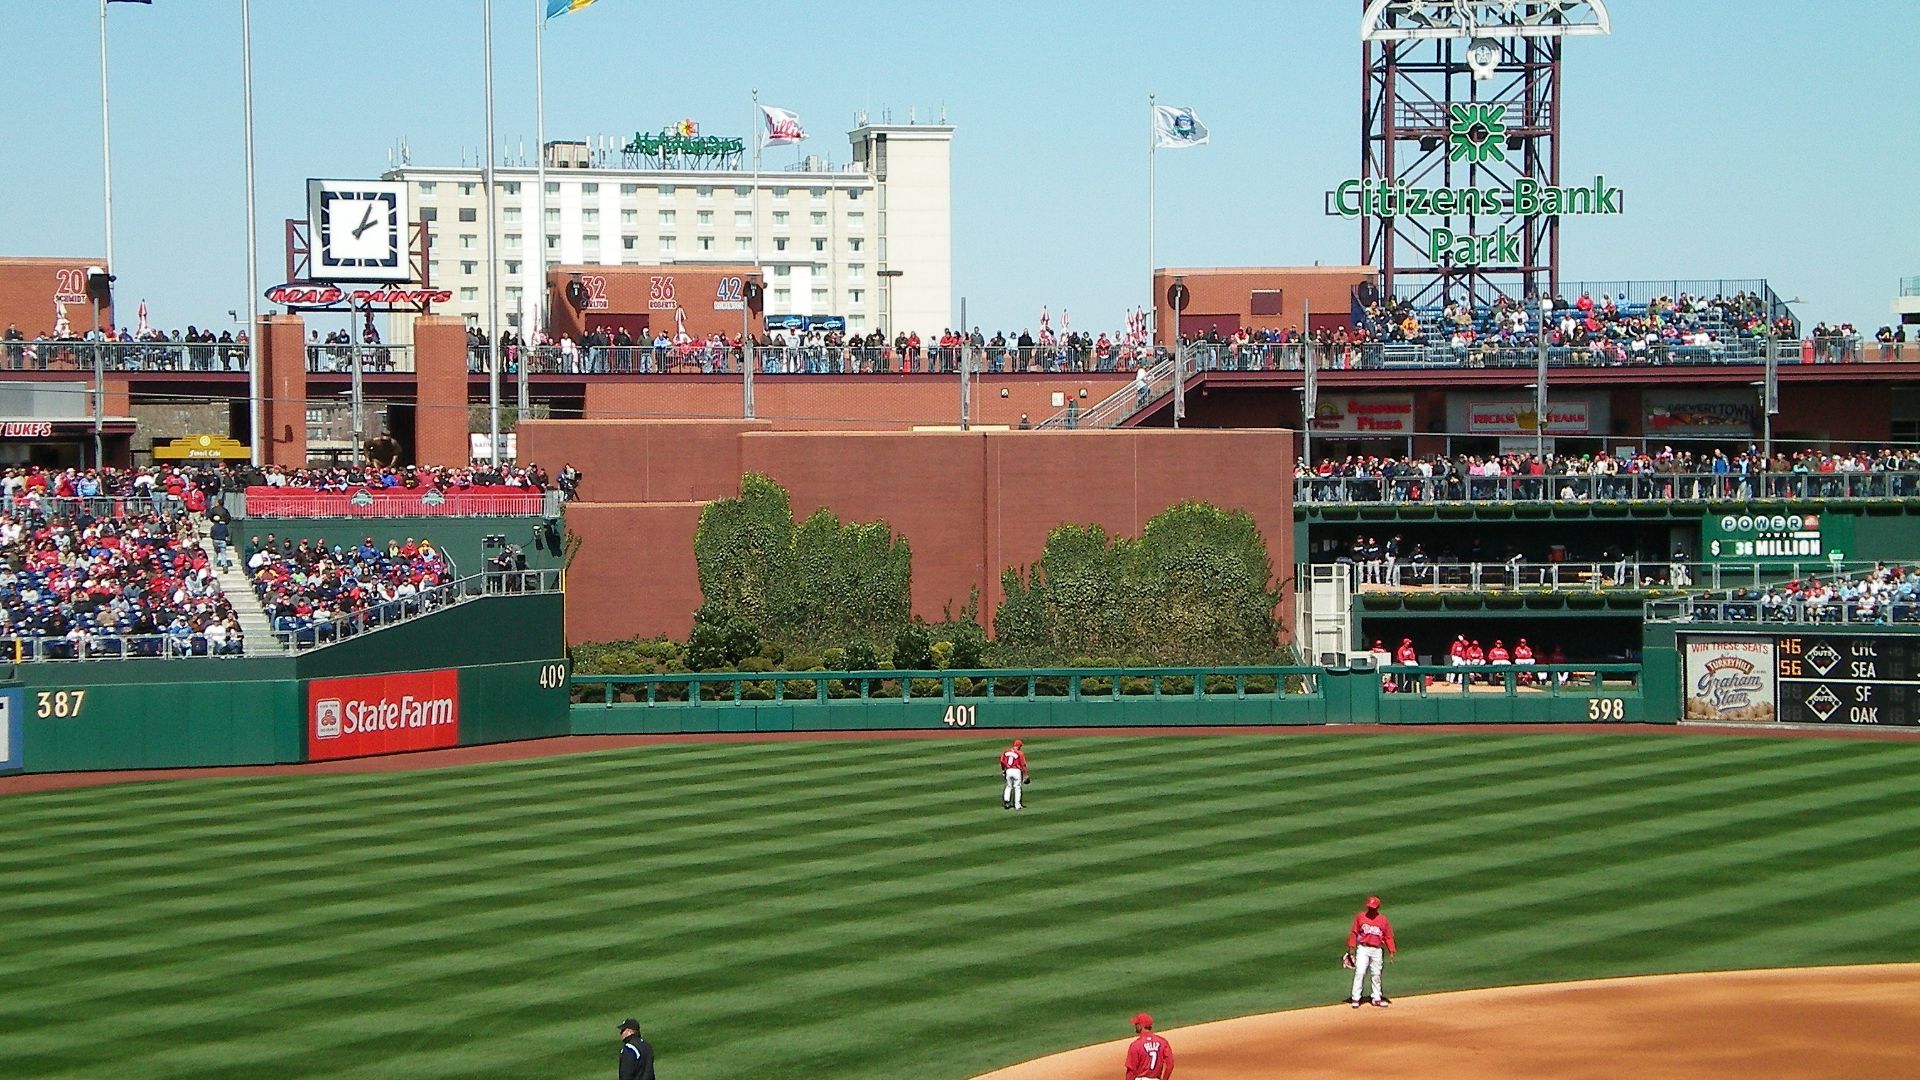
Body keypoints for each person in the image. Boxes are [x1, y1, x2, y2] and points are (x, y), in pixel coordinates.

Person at [1346, 895, 1396, 1008]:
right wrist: (1351, 947)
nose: (1371, 909)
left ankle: (1376, 998)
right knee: (1360, 972)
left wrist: (1392, 950)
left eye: (1373, 907)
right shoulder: (1360, 917)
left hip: (1377, 950)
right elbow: (1354, 932)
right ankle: (1355, 998)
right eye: (1369, 907)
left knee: (1376, 974)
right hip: (1363, 949)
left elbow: (1388, 937)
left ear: (1377, 907)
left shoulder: (1383, 920)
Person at [1124, 1013, 1175, 1079]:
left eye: (1136, 1024)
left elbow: (1131, 1071)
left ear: (1141, 1026)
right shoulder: (1163, 1042)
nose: (1135, 1026)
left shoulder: (1135, 1045)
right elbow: (1170, 1064)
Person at [999, 737, 1027, 810]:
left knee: (1008, 786)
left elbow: (1002, 761)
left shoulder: (1006, 751)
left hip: (1008, 770)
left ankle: (1006, 802)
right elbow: (1023, 765)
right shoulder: (1020, 753)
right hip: (1016, 771)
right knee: (1017, 788)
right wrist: (1025, 775)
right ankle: (1017, 805)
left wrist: (1003, 770)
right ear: (1019, 746)